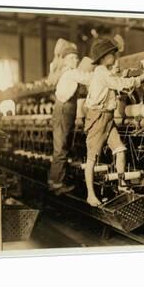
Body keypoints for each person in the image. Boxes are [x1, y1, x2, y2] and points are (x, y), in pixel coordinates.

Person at [84, 37, 144, 206]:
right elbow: (120, 83)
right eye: (112, 54)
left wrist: (128, 73)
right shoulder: (101, 73)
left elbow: (117, 79)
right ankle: (90, 195)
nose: (115, 56)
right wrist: (143, 76)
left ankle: (121, 184)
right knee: (92, 159)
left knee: (120, 150)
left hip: (107, 118)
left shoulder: (104, 72)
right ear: (104, 57)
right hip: (98, 118)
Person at [48, 44, 94, 195]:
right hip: (64, 109)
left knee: (61, 146)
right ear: (66, 61)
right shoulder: (70, 72)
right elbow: (88, 79)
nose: (76, 60)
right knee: (61, 147)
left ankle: (54, 180)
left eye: (76, 57)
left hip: (64, 110)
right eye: (72, 58)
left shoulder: (67, 72)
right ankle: (57, 184)